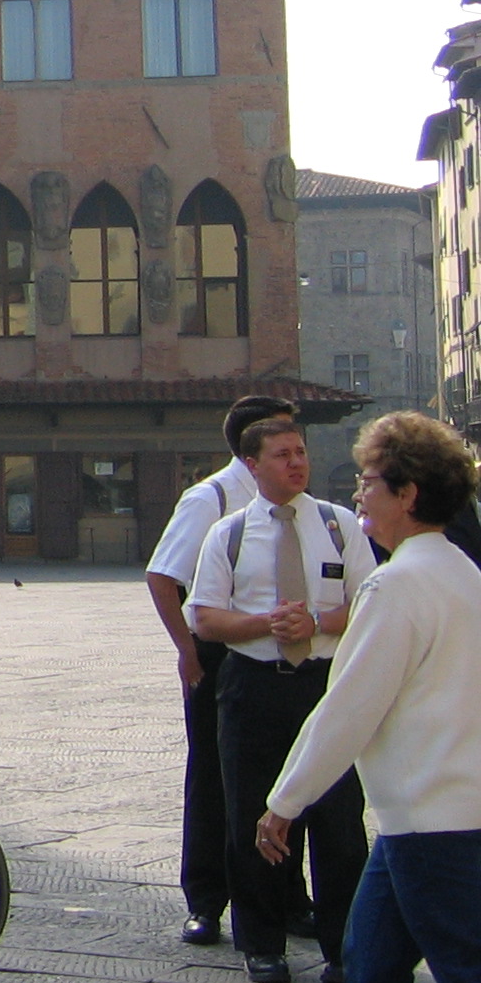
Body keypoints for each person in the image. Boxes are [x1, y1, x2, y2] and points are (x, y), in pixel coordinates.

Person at [258, 413, 481, 983]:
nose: (358, 497)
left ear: (408, 493)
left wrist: (284, 800)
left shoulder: (394, 587)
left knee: (468, 979)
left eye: (368, 483)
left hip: (432, 823)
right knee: (372, 962)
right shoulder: (462, 573)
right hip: (430, 816)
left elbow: (349, 708)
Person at [190, 410, 375, 983]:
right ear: (253, 465)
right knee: (253, 814)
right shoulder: (231, 532)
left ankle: (345, 944)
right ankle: (262, 942)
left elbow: (369, 601)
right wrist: (267, 624)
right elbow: (205, 617)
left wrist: (317, 621)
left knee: (340, 819)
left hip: (324, 683)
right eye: (282, 455)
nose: (296, 463)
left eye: (300, 452)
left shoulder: (340, 525)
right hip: (254, 686)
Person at [146, 394, 295, 946]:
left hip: (277, 653)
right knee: (213, 774)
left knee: (282, 775)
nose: (295, 452)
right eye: (283, 439)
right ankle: (207, 899)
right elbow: (163, 576)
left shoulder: (298, 501)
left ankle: (286, 894)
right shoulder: (210, 497)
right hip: (219, 653)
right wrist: (187, 651)